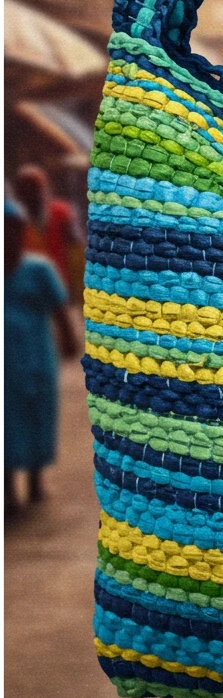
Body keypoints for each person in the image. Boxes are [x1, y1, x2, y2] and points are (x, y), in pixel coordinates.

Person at [4, 200, 79, 515]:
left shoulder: (39, 269)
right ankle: (7, 488)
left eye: (14, 231)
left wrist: (69, 338)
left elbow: (59, 309)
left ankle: (35, 480)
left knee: (38, 416)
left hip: (36, 355)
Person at [13, 164, 84, 300]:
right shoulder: (15, 221)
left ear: (44, 188)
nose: (31, 194)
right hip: (32, 293)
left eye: (35, 188)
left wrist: (79, 290)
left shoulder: (61, 213)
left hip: (65, 288)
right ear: (19, 193)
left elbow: (76, 250)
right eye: (25, 189)